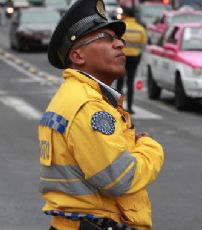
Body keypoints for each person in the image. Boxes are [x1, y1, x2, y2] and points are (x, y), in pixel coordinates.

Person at [39, 0, 164, 229]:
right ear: (78, 56)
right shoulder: (88, 105)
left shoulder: (74, 95)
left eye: (118, 39)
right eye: (106, 39)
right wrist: (150, 147)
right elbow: (120, 179)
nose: (119, 45)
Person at [115, 7, 147, 114]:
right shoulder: (140, 29)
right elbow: (143, 45)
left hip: (122, 57)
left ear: (126, 15)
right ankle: (130, 107)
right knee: (130, 81)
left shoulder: (122, 27)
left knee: (120, 82)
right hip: (134, 58)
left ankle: (118, 105)